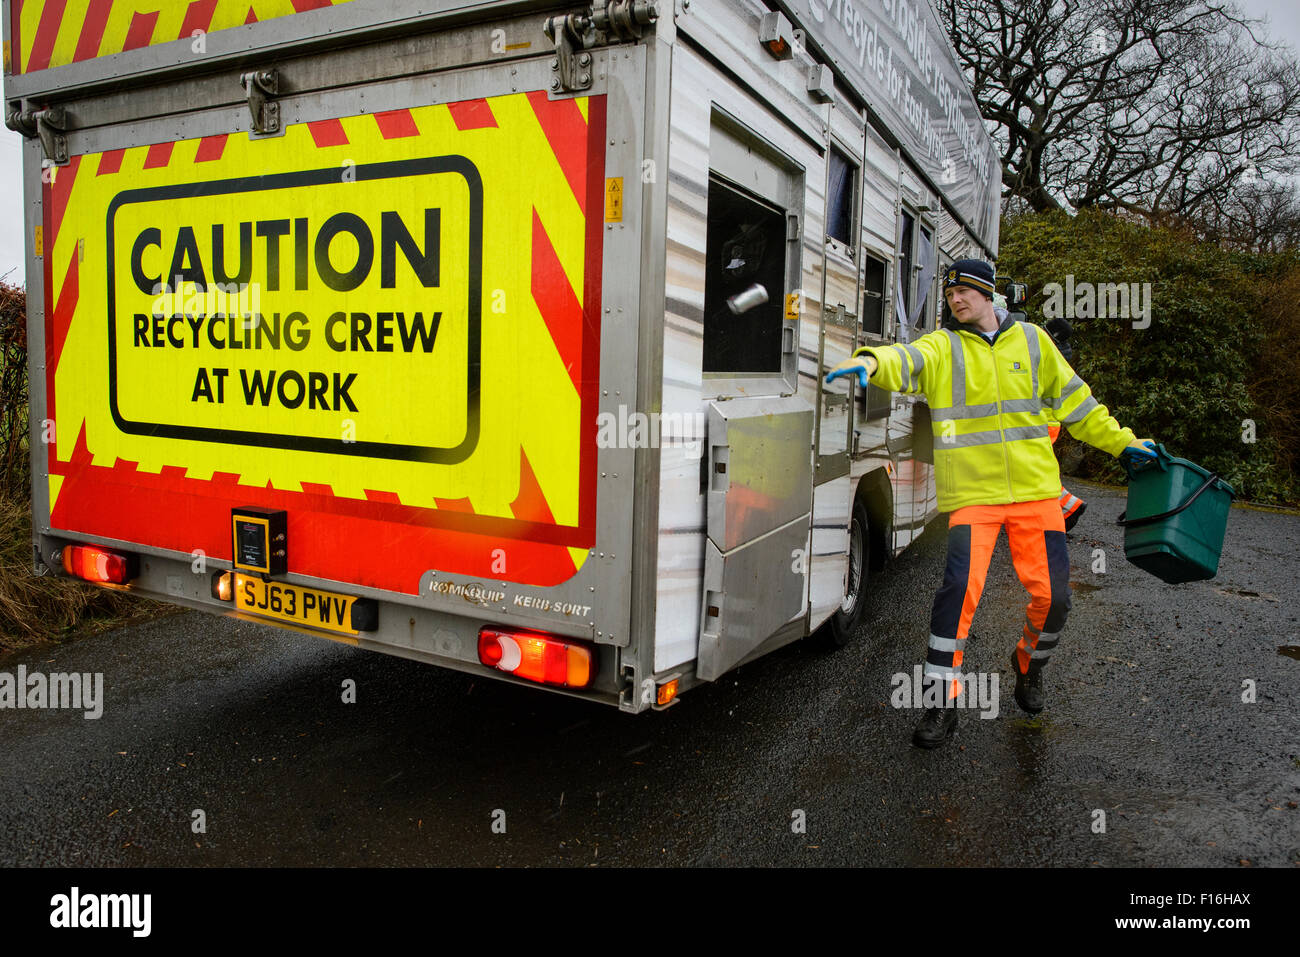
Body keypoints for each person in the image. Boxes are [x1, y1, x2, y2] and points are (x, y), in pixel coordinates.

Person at [826, 259, 1158, 748]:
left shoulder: (1034, 342)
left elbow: (1080, 407)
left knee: (1055, 599)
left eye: (963, 291)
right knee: (956, 597)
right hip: (975, 499)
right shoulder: (944, 346)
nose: (954, 299)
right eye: (949, 294)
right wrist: (873, 362)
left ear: (987, 294)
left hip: (1037, 493)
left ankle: (1028, 666)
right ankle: (941, 703)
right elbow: (908, 360)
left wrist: (1124, 443)